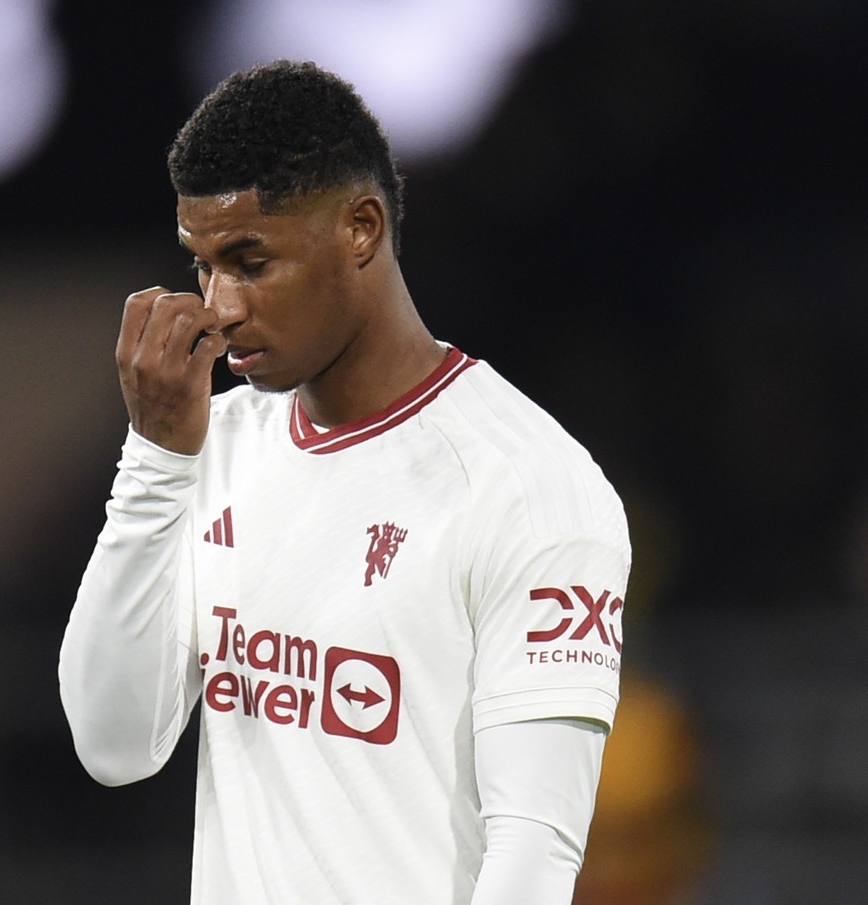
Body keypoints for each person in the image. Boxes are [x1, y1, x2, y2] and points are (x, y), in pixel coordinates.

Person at [59, 60, 631, 904]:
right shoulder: (211, 449)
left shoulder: (529, 487)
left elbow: (534, 852)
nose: (219, 306)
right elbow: (112, 745)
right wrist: (156, 459)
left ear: (362, 228)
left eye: (250, 260)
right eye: (203, 266)